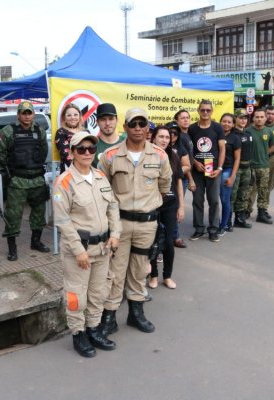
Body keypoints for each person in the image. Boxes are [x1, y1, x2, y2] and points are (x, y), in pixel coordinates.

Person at [97, 107, 171, 336]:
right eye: (133, 124)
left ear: (148, 127)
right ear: (125, 127)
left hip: (146, 224)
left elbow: (165, 186)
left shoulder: (159, 155)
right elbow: (102, 188)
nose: (138, 128)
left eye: (142, 124)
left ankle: (135, 313)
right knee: (115, 272)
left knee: (140, 270)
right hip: (119, 224)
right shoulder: (109, 156)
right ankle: (109, 317)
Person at [53, 131, 121, 358]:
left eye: (91, 149)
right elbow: (62, 221)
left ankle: (93, 329)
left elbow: (113, 207)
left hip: (103, 248)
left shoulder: (100, 176)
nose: (86, 153)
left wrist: (115, 234)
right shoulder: (64, 181)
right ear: (72, 152)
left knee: (97, 293)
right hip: (79, 252)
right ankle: (78, 334)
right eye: (81, 149)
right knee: (76, 295)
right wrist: (78, 250)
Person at [0, 101, 50, 261]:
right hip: (17, 180)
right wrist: (8, 173)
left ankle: (36, 241)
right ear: (18, 115)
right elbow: (0, 154)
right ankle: (12, 248)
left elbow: (43, 152)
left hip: (37, 179)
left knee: (39, 213)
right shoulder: (8, 131)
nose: (27, 116)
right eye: (23, 113)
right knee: (13, 215)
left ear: (33, 114)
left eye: (29, 113)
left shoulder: (39, 131)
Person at [148, 126, 184, 290]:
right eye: (160, 137)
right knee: (153, 242)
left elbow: (178, 183)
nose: (164, 140)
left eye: (167, 137)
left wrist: (181, 206)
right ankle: (154, 275)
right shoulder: (147, 156)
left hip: (170, 204)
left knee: (169, 242)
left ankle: (167, 276)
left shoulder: (173, 156)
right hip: (152, 205)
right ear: (153, 138)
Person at [188, 100, 225, 242]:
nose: (205, 112)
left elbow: (222, 149)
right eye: (202, 110)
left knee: (214, 200)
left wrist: (220, 168)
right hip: (197, 169)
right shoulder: (192, 129)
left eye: (208, 110)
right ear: (198, 111)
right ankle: (198, 228)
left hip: (212, 168)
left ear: (212, 111)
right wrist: (195, 163)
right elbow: (188, 150)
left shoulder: (217, 128)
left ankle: (213, 229)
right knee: (197, 200)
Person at [249, 105, 274, 220]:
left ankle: (263, 210)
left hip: (270, 159)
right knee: (252, 186)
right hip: (254, 161)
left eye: (272, 114)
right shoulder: (250, 130)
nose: (269, 116)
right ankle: (248, 209)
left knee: (267, 185)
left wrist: (265, 153)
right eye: (268, 114)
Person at [168, 122, 192, 248]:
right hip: (160, 183)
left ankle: (176, 236)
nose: (172, 135)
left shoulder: (181, 148)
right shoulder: (156, 146)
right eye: (169, 132)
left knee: (176, 208)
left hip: (177, 181)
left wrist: (175, 173)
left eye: (175, 133)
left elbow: (187, 166)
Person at [218, 113, 241, 235]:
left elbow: (237, 159)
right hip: (216, 170)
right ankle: (216, 223)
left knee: (225, 199)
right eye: (224, 121)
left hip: (227, 170)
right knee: (214, 200)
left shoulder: (235, 138)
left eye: (229, 122)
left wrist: (232, 176)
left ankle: (224, 225)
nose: (226, 124)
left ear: (232, 124)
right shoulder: (216, 135)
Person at [231, 109, 253, 229]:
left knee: (243, 194)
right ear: (235, 119)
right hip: (236, 169)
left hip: (247, 168)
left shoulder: (248, 134)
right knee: (232, 195)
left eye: (245, 118)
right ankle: (227, 220)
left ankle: (240, 219)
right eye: (241, 118)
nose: (243, 120)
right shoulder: (232, 135)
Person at [92, 103, 126, 168]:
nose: (107, 123)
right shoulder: (91, 145)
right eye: (103, 119)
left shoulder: (127, 142)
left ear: (117, 120)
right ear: (97, 122)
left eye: (111, 119)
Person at [55, 103, 85, 173]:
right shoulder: (61, 132)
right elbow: (66, 155)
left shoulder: (86, 131)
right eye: (69, 115)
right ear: (64, 118)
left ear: (80, 116)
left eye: (75, 115)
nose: (72, 117)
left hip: (86, 170)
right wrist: (81, 170)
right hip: (69, 171)